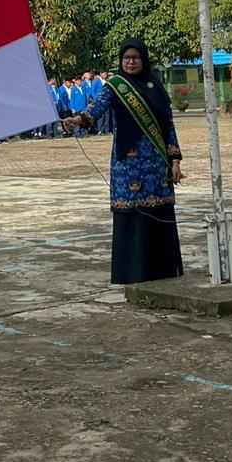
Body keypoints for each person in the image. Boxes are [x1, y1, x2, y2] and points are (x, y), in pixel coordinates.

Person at [64, 38, 183, 283]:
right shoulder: (115, 86)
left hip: (157, 163)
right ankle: (133, 272)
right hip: (127, 164)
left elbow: (168, 126)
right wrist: (78, 120)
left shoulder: (156, 87)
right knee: (132, 215)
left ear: (144, 59)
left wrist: (175, 161)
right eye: (126, 58)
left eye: (135, 58)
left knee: (158, 213)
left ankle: (163, 270)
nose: (131, 62)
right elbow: (96, 109)